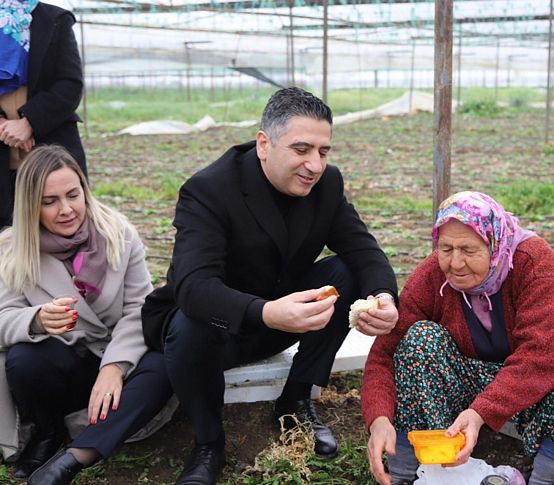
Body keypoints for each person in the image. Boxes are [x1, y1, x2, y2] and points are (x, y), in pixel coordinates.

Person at [141, 86, 399, 485]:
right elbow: (192, 285)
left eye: (323, 151)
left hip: (282, 321)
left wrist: (383, 298)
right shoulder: (210, 189)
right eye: (301, 149)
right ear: (264, 144)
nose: (315, 164)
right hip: (218, 333)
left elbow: (363, 250)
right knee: (189, 320)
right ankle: (209, 444)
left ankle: (295, 399)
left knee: (345, 273)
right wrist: (265, 311)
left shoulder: (326, 185)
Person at [0, 145, 172, 485]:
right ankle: (47, 431)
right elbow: (3, 316)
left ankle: (74, 455)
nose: (66, 210)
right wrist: (35, 320)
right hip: (62, 373)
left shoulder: (118, 233)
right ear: (30, 205)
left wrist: (114, 366)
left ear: (84, 189)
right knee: (25, 358)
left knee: (165, 363)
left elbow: (140, 308)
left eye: (72, 195)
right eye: (49, 202)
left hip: (114, 365)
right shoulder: (11, 248)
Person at [361, 191, 554, 485]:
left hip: (531, 388)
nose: (456, 263)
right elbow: (385, 352)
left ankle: (545, 473)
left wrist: (480, 413)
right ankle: (405, 471)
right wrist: (378, 419)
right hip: (466, 383)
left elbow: (540, 355)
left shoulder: (533, 263)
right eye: (446, 248)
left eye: (469, 250)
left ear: (495, 244)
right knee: (419, 340)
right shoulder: (433, 275)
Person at [0, 0, 87, 229]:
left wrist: (30, 122)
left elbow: (70, 83)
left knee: (60, 221)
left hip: (50, 137)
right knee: (5, 230)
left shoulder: (55, 19)